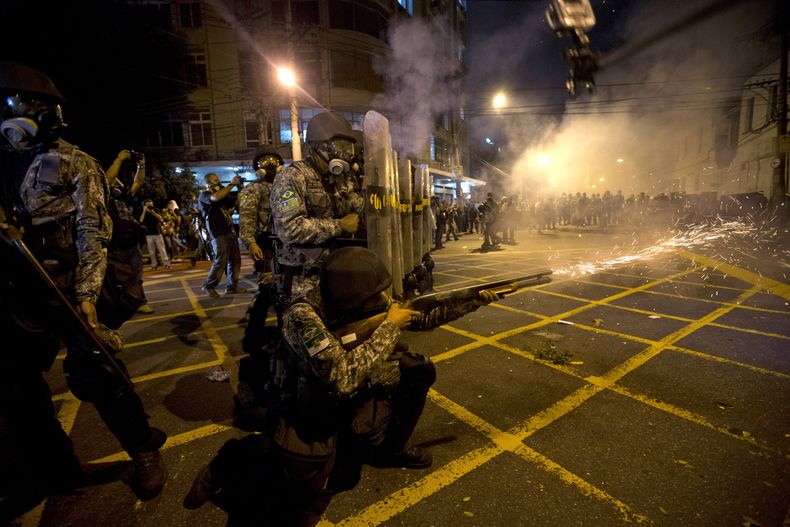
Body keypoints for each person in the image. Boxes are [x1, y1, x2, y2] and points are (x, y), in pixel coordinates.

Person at [183, 247, 497, 525]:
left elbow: (420, 318)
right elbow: (340, 378)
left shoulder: (363, 300)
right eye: (374, 297)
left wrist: (472, 302)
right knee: (300, 486)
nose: (382, 301)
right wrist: (389, 326)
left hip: (339, 395)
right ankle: (231, 460)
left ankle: (390, 449)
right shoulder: (302, 317)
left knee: (417, 370)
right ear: (351, 295)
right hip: (302, 404)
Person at [0, 61, 166, 508]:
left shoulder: (75, 163)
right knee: (17, 385)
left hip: (66, 284)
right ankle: (55, 466)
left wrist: (89, 297)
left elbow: (93, 232)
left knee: (100, 373)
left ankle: (143, 450)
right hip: (16, 291)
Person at [269, 110, 362, 301]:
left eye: (347, 149)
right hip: (304, 277)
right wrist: (339, 226)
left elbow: (358, 207)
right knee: (310, 327)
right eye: (336, 148)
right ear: (314, 147)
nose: (342, 155)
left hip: (339, 268)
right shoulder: (291, 177)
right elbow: (289, 228)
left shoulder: (341, 179)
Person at [235, 149, 284, 430]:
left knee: (276, 292)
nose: (272, 166)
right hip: (265, 246)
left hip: (284, 245)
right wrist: (250, 242)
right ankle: (255, 340)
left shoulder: (284, 184)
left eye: (275, 162)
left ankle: (272, 335)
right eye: (266, 163)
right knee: (268, 290)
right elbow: (247, 218)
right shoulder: (254, 190)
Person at [104, 149, 153, 316]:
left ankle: (139, 302)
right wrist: (119, 159)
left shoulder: (122, 197)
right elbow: (107, 180)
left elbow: (138, 183)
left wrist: (142, 165)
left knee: (136, 274)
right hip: (114, 244)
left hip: (130, 242)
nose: (116, 184)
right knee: (118, 277)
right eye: (114, 183)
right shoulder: (102, 196)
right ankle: (121, 304)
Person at [199, 172, 248, 297]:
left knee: (235, 260)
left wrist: (240, 187)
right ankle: (209, 286)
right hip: (218, 233)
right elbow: (215, 198)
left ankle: (232, 286)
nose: (219, 183)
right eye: (216, 181)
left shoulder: (223, 196)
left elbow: (238, 202)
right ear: (208, 183)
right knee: (220, 261)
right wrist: (231, 184)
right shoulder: (204, 195)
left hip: (230, 231)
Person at [139, 198, 171, 271]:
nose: (150, 207)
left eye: (151, 205)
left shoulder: (155, 210)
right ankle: (154, 265)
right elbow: (140, 220)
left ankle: (167, 264)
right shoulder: (144, 212)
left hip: (157, 233)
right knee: (151, 252)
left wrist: (153, 212)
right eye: (148, 205)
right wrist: (144, 211)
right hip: (149, 235)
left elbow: (161, 219)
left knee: (162, 250)